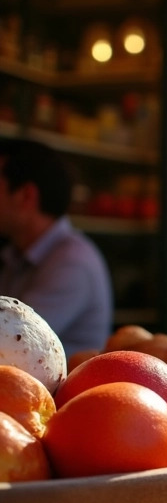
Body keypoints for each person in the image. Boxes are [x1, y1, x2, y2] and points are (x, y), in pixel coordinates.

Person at [0, 138, 112, 355]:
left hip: (64, 388)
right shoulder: (15, 254)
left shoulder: (72, 262)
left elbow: (13, 340)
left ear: (26, 195)